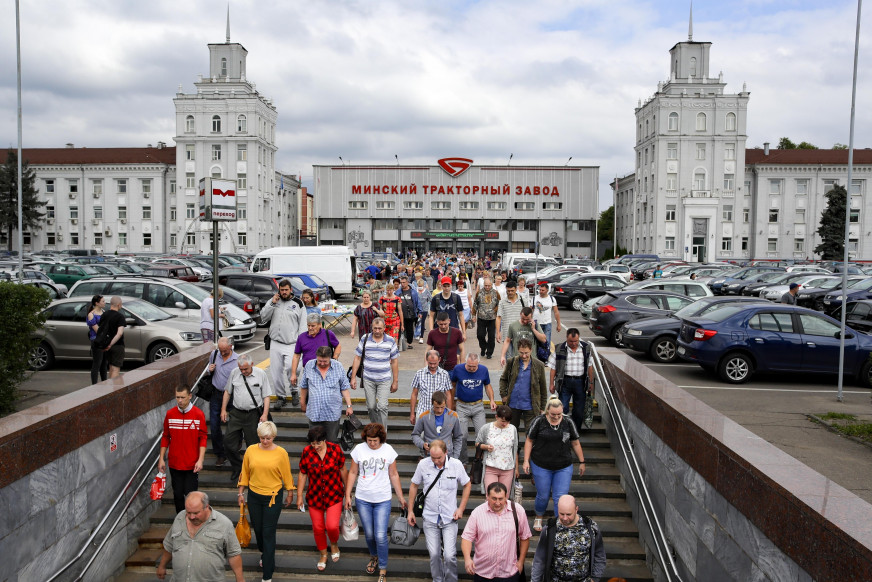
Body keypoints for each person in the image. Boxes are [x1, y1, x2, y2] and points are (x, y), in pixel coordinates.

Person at [345, 423, 407, 582]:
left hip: (383, 499)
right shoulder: (359, 449)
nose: (372, 443)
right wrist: (347, 495)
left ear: (381, 439)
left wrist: (400, 496)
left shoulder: (388, 450)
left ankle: (383, 569)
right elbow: (352, 472)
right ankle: (374, 556)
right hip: (363, 498)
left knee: (380, 535)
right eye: (369, 440)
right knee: (370, 533)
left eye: (375, 440)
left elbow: (394, 474)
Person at [237, 421, 296, 582]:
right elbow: (245, 472)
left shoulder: (281, 453)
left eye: (268, 438)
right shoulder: (251, 450)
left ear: (274, 437)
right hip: (254, 496)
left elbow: (286, 474)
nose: (265, 441)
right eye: (262, 438)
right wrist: (240, 492)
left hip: (273, 497)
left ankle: (267, 575)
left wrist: (290, 492)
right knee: (259, 530)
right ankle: (265, 553)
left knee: (268, 533)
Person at [407, 439, 472, 582]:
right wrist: (410, 510)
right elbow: (413, 485)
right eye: (433, 457)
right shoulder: (423, 465)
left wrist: (461, 508)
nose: (436, 461)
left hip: (449, 518)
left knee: (449, 555)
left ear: (446, 452)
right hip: (430, 517)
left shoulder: (456, 465)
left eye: (439, 458)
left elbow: (467, 485)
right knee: (434, 554)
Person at [523, 400, 587, 532]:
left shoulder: (568, 422)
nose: (556, 417)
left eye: (559, 414)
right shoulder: (539, 421)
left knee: (561, 497)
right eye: (553, 414)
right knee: (543, 495)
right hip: (541, 464)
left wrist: (582, 461)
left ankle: (561, 522)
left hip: (563, 466)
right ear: (547, 411)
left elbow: (575, 442)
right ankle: (539, 516)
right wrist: (525, 460)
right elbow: (529, 440)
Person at [157, 491, 244, 582]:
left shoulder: (224, 524)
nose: (192, 517)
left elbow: (234, 554)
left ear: (206, 507)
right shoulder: (179, 518)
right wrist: (162, 566)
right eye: (188, 512)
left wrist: (240, 579)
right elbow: (169, 545)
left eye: (196, 513)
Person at [297, 425, 348, 572]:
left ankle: (333, 544)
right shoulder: (307, 452)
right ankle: (323, 554)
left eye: (318, 443)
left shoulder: (335, 449)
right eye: (313, 444)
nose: (316, 446)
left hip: (334, 494)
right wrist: (299, 495)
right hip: (315, 496)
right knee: (318, 528)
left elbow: (343, 469)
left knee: (332, 526)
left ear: (324, 440)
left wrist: (347, 491)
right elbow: (303, 473)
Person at [461, 482, 532, 582]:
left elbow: (525, 537)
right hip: (483, 572)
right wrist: (467, 559)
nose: (497, 503)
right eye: (494, 498)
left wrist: (521, 562)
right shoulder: (477, 513)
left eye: (501, 499)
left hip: (509, 573)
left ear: (506, 497)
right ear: (487, 496)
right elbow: (467, 538)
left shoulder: (518, 511)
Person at [221, 354, 273, 482]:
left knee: (254, 446)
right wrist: (223, 409)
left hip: (253, 414)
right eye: (241, 369)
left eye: (246, 369)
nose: (243, 372)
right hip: (237, 413)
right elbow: (228, 391)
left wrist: (265, 414)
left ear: (252, 364)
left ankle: (252, 471)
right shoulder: (234, 373)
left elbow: (266, 395)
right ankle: (238, 468)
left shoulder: (261, 374)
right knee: (228, 442)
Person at [531, 495, 607, 582]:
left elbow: (599, 555)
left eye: (568, 514)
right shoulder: (550, 529)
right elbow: (539, 559)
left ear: (576, 509)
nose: (565, 518)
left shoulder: (590, 527)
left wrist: (595, 578)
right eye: (561, 514)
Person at [158, 384, 207, 514]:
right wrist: (161, 459)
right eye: (177, 397)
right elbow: (165, 437)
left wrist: (200, 460)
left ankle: (192, 519)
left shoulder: (198, 414)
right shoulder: (170, 414)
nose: (180, 400)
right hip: (175, 464)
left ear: (190, 396)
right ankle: (181, 520)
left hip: (192, 465)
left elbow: (203, 438)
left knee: (191, 496)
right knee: (178, 495)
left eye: (183, 397)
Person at [260, 278, 307, 409]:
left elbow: (303, 326)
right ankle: (281, 396)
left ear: (291, 290)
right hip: (275, 342)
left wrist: (301, 343)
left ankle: (294, 391)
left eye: (286, 290)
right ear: (279, 290)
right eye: (282, 290)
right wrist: (272, 304)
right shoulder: (274, 300)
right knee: (275, 372)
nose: (284, 292)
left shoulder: (299, 303)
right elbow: (263, 317)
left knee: (293, 369)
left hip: (292, 343)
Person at [350, 318, 400, 428]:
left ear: (384, 328)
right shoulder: (365, 338)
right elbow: (357, 358)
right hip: (368, 378)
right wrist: (353, 377)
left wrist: (395, 381)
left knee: (382, 406)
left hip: (384, 379)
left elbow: (395, 362)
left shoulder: (390, 341)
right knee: (371, 406)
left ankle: (382, 432)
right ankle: (376, 426)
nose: (377, 331)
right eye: (375, 328)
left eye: (379, 328)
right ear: (372, 328)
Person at [299, 346, 354, 443]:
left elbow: (344, 388)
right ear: (316, 357)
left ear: (330, 358)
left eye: (325, 361)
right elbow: (304, 386)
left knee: (331, 441)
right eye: (320, 361)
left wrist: (349, 406)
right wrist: (302, 402)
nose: (322, 363)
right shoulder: (309, 365)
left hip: (332, 413)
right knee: (314, 442)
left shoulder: (338, 366)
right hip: (314, 412)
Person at [450, 353, 496, 464]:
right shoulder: (458, 369)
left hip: (478, 406)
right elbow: (453, 385)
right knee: (462, 435)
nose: (471, 369)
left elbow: (488, 386)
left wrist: (492, 400)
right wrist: (451, 403)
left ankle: (479, 459)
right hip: (462, 405)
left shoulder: (484, 370)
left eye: (474, 367)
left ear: (478, 364)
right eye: (469, 366)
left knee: (482, 434)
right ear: (465, 362)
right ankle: (463, 461)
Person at [547, 328, 593, 433]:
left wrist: (590, 382)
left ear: (579, 338)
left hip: (580, 382)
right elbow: (553, 368)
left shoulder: (586, 348)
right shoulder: (559, 348)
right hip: (565, 382)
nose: (573, 343)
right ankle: (563, 430)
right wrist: (551, 384)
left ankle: (575, 431)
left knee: (579, 410)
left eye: (576, 341)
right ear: (566, 338)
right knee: (563, 408)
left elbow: (590, 366)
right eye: (571, 341)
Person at [499, 339, 547, 431]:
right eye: (521, 353)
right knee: (511, 431)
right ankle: (515, 446)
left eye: (526, 353)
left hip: (531, 406)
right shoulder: (511, 362)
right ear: (517, 350)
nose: (524, 356)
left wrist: (542, 407)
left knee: (530, 432)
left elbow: (543, 388)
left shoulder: (539, 365)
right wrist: (503, 395)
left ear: (531, 350)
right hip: (513, 405)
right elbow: (503, 379)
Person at [474, 405, 519, 492]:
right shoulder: (486, 428)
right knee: (490, 496)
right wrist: (486, 447)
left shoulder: (513, 429)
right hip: (490, 467)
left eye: (507, 421)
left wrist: (516, 468)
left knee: (504, 497)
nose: (505, 424)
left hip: (508, 468)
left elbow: (514, 449)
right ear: (496, 417)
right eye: (502, 421)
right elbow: (477, 443)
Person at [208, 337, 238, 467]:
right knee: (214, 426)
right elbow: (209, 373)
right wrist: (210, 370)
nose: (223, 353)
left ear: (231, 347)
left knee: (234, 426)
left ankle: (234, 451)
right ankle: (220, 454)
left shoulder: (237, 360)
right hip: (216, 394)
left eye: (225, 350)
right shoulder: (214, 355)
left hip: (232, 396)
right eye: (221, 350)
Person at [291, 313, 341, 387]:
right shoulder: (301, 337)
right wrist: (293, 374)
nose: (310, 328)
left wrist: (335, 358)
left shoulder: (328, 334)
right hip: (309, 372)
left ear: (319, 325)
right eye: (308, 325)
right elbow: (296, 356)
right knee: (309, 395)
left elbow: (338, 346)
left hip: (326, 371)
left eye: (313, 326)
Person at [411, 391, 464, 458]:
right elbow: (415, 434)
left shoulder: (453, 416)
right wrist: (422, 444)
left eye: (442, 407)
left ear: (445, 403)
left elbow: (458, 437)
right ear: (432, 403)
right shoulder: (424, 416)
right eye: (437, 407)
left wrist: (455, 456)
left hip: (448, 455)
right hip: (429, 455)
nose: (439, 410)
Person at [410, 350, 453, 424]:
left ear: (439, 360)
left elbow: (448, 395)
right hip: (422, 411)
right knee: (420, 435)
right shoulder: (419, 373)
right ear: (426, 360)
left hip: (440, 412)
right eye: (430, 363)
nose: (432, 366)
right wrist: (412, 413)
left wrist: (449, 413)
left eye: (435, 363)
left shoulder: (444, 374)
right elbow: (414, 394)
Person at [97, 296, 126, 379]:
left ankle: (109, 388)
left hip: (105, 345)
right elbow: (119, 333)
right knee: (116, 369)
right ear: (119, 304)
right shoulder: (120, 317)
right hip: (117, 345)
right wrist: (111, 344)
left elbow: (101, 329)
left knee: (110, 368)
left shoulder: (104, 314)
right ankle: (114, 389)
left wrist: (107, 345)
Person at [496, 281, 525, 360]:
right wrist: (498, 332)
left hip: (520, 333)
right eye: (508, 291)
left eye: (512, 290)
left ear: (516, 289)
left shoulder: (522, 300)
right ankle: (510, 372)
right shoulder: (502, 302)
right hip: (507, 334)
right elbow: (498, 317)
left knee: (520, 356)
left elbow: (527, 315)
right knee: (509, 358)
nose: (510, 292)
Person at [472, 277, 500, 360]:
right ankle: (483, 347)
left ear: (491, 285)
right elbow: (475, 304)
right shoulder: (479, 293)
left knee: (491, 337)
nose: (487, 287)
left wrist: (496, 312)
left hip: (492, 318)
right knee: (480, 335)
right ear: (483, 285)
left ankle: (489, 352)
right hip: (481, 317)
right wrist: (473, 315)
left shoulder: (495, 293)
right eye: (486, 285)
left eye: (489, 285)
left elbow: (499, 304)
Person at [86, 294, 108, 384]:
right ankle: (94, 384)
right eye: (103, 301)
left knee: (104, 364)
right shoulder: (91, 314)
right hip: (97, 340)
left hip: (104, 340)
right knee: (97, 363)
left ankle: (104, 382)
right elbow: (97, 330)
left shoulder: (103, 311)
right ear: (97, 303)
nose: (104, 302)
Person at [532, 283, 562, 348]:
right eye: (540, 290)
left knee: (546, 342)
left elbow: (556, 312)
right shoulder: (534, 298)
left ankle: (546, 356)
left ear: (547, 290)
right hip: (537, 324)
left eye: (543, 290)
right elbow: (530, 311)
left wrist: (558, 324)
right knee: (536, 343)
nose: (541, 292)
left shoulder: (552, 299)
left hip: (547, 324)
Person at [396, 276, 421, 349]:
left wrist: (420, 312)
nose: (402, 284)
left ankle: (409, 343)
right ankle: (400, 343)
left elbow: (417, 302)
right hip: (400, 314)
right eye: (401, 283)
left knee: (410, 329)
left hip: (410, 314)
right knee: (401, 328)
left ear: (407, 283)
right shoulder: (398, 292)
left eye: (404, 282)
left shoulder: (413, 292)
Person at [415, 279, 430, 344]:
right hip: (416, 309)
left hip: (424, 309)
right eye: (419, 285)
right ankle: (417, 334)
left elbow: (430, 299)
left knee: (422, 322)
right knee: (417, 322)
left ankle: (421, 337)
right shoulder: (415, 291)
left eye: (421, 285)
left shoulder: (426, 291)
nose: (420, 287)